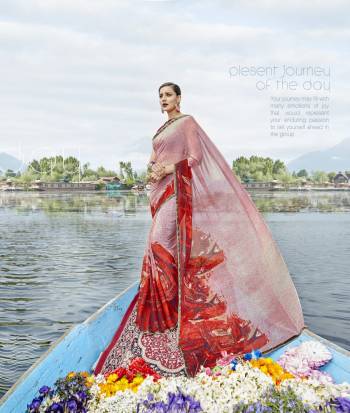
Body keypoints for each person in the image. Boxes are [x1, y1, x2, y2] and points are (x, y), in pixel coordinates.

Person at [94, 82, 305, 378]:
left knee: (159, 244)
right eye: (160, 96)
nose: (164, 100)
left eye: (168, 95)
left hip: (176, 193)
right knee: (157, 248)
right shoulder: (161, 130)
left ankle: (170, 313)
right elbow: (156, 159)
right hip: (161, 191)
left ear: (179, 98)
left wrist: (169, 169)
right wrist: (152, 168)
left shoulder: (187, 123)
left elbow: (195, 158)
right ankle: (168, 312)